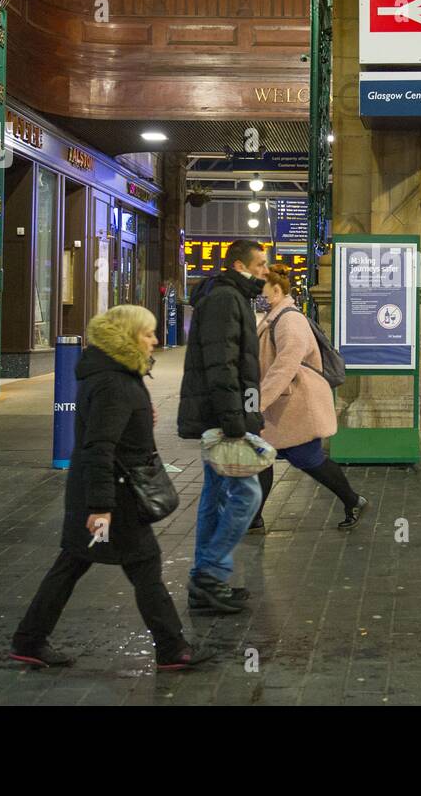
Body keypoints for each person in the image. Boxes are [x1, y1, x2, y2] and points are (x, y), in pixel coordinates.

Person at [9, 305, 212, 671]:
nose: (155, 339)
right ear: (126, 338)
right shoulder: (114, 383)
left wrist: (139, 417)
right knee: (143, 565)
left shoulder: (113, 374)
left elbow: (107, 434)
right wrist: (100, 508)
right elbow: (99, 447)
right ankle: (172, 648)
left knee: (72, 564)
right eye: (148, 333)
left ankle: (29, 640)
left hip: (104, 493)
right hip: (115, 497)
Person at [178, 239, 268, 613]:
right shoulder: (226, 299)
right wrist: (236, 422)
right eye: (261, 263)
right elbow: (222, 364)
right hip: (223, 417)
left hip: (221, 414)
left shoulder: (229, 295)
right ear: (239, 264)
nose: (266, 270)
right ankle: (208, 574)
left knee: (216, 496)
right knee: (246, 495)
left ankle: (206, 580)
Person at [248, 263, 367, 533]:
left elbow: (285, 365)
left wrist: (260, 402)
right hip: (285, 406)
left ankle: (353, 499)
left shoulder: (289, 319)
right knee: (262, 457)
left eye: (263, 290)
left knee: (308, 459)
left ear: (277, 290)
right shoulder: (276, 316)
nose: (259, 295)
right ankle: (253, 518)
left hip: (296, 405)